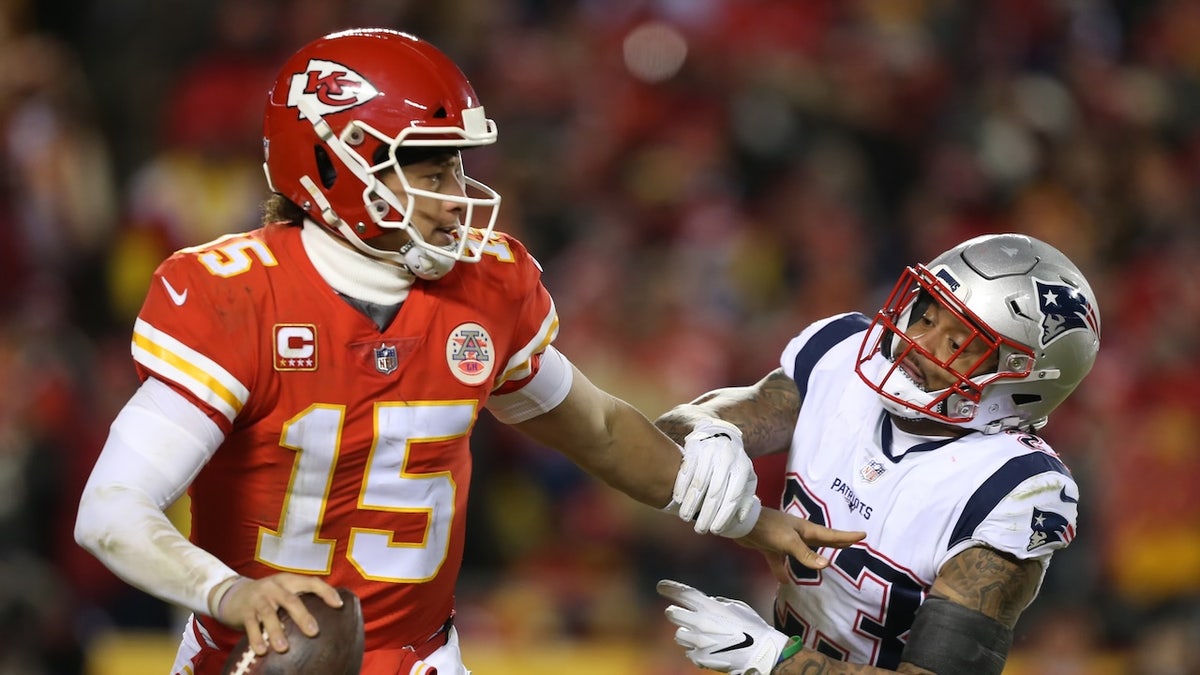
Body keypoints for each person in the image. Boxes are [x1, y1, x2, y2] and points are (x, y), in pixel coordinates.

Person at [73, 28, 863, 675]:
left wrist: (748, 520)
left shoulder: (485, 288)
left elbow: (598, 429)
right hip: (255, 654)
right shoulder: (236, 293)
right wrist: (231, 594)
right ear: (332, 164)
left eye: (457, 162)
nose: (458, 192)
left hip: (422, 657)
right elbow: (110, 509)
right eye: (430, 164)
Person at [655, 232, 1101, 674]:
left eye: (958, 343)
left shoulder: (1014, 488)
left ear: (1021, 384)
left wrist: (777, 660)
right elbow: (676, 427)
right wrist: (710, 432)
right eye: (927, 316)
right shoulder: (843, 356)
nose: (918, 343)